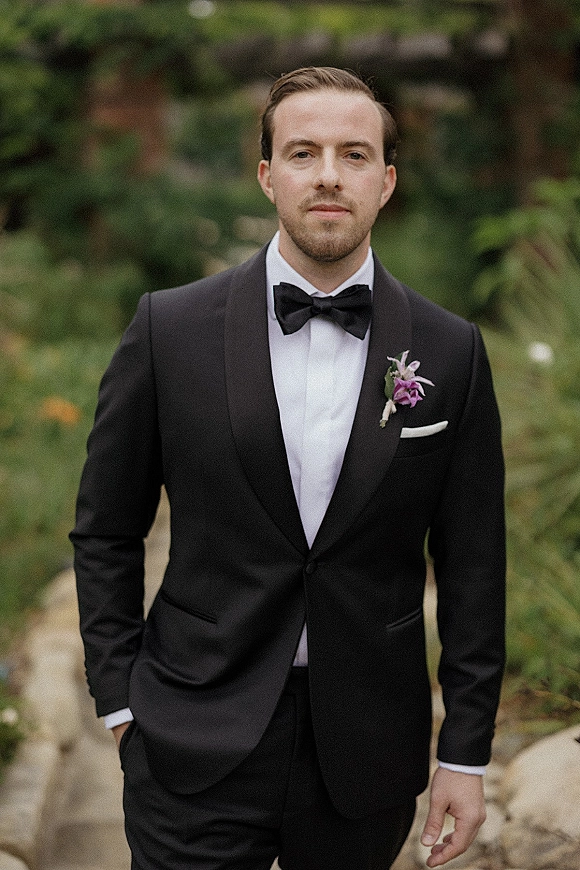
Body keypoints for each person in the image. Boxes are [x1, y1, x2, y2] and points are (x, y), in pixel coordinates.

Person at [71, 66, 505, 870]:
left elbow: (476, 564)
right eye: (304, 153)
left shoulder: (451, 352)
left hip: (367, 748)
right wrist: (120, 698)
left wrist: (466, 753)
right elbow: (105, 528)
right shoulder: (168, 330)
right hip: (191, 730)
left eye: (355, 153)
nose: (330, 175)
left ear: (387, 180)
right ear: (268, 175)